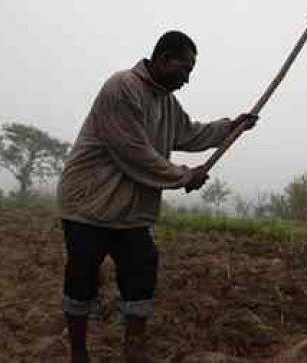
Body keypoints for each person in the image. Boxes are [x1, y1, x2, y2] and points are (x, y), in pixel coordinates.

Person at [57, 30, 258, 363]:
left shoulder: (165, 100)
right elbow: (133, 151)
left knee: (141, 273)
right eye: (184, 69)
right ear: (164, 59)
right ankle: (78, 352)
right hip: (89, 204)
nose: (187, 79)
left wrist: (230, 127)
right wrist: (184, 176)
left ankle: (133, 351)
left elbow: (189, 132)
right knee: (82, 276)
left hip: (132, 209)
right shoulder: (121, 87)